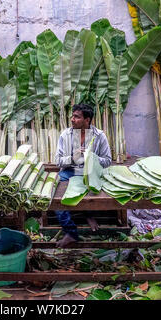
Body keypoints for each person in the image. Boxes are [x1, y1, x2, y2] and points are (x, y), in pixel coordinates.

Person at [54, 103, 112, 248]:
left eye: (76, 117)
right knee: (55, 195)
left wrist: (91, 157)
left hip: (92, 170)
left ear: (87, 120)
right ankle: (70, 232)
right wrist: (74, 157)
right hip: (69, 171)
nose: (72, 119)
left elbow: (107, 161)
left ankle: (89, 215)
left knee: (95, 188)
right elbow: (58, 161)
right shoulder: (65, 135)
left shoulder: (99, 136)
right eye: (72, 116)